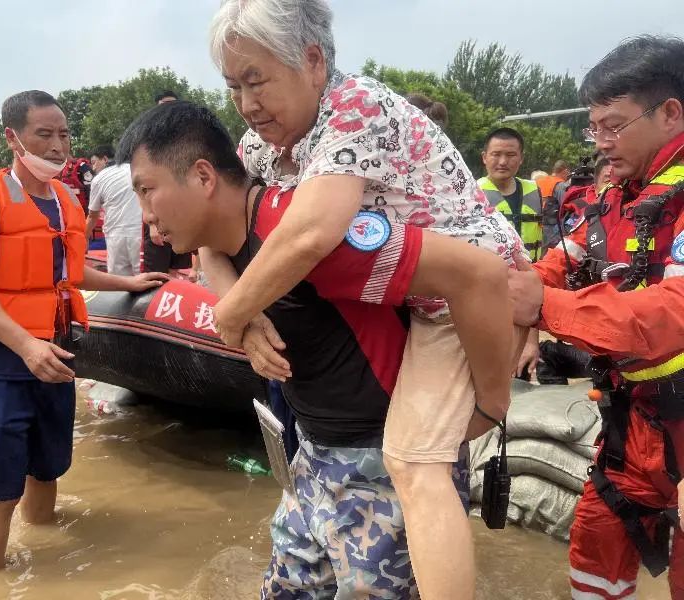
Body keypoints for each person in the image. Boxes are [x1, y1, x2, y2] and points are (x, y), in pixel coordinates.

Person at [119, 99, 514, 599]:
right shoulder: (227, 236)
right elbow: (213, 251)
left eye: (147, 190)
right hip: (313, 455)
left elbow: (479, 274)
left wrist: (492, 401)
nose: (146, 215)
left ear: (203, 176)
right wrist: (239, 315)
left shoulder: (314, 239)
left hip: (383, 465)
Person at [203, 3, 523, 598]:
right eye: (233, 87)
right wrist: (243, 320)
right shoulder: (263, 145)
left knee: (414, 462)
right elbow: (214, 234)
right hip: (402, 302)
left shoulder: (357, 106)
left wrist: (229, 314)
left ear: (313, 61)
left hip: (458, 303)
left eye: (256, 80)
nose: (246, 103)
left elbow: (311, 232)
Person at [0, 90, 166, 571]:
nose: (57, 146)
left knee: (47, 469)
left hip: (55, 355)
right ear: (13, 137)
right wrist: (26, 345)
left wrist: (127, 282)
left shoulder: (67, 200)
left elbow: (69, 272)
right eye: (43, 134)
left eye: (64, 134)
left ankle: (46, 568)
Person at [507, 35, 684, 599]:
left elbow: (672, 313)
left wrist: (543, 308)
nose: (601, 142)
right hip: (635, 423)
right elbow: (563, 261)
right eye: (594, 129)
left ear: (670, 113)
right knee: (596, 543)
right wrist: (500, 286)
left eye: (614, 126)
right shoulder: (617, 199)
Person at [141, 89, 193, 277]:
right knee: (156, 275)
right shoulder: (147, 143)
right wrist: (152, 225)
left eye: (173, 105)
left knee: (178, 272)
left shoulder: (187, 140)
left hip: (182, 217)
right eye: (164, 106)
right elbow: (142, 187)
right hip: (159, 218)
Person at [478, 128, 545, 262]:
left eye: (510, 155)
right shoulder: (472, 193)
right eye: (496, 154)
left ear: (521, 158)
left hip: (533, 270)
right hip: (491, 272)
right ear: (484, 157)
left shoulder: (534, 191)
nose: (503, 162)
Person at [85, 160, 143, 275]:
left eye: (94, 162)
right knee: (144, 278)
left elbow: (92, 216)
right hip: (139, 233)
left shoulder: (100, 178)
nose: (93, 167)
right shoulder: (140, 171)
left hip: (115, 236)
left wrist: (85, 238)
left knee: (118, 280)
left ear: (105, 159)